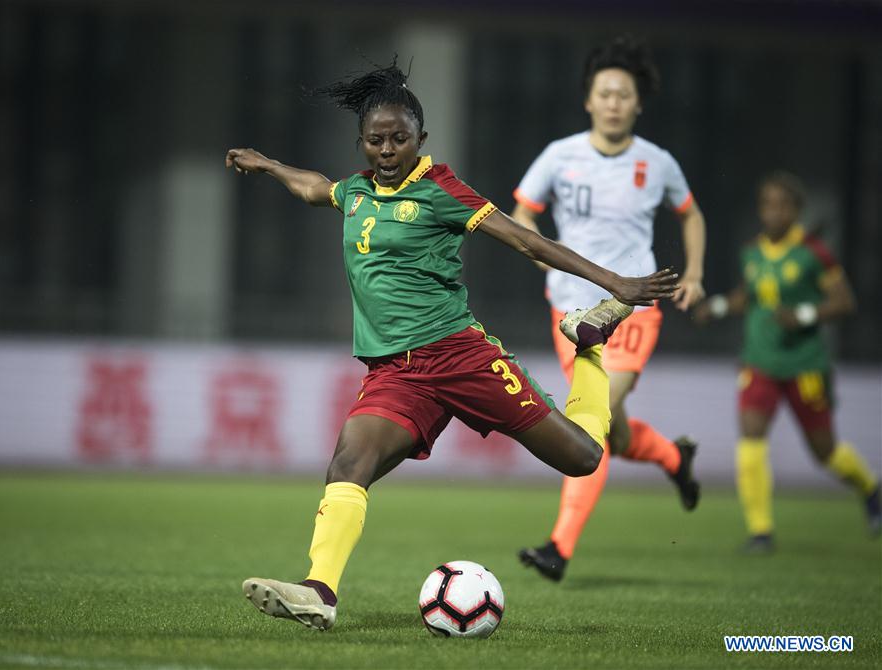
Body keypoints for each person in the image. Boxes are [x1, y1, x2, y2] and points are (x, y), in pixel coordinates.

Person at [225, 62, 679, 630]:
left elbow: (526, 241)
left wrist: (614, 284)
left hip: (460, 357)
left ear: (421, 139)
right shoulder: (356, 192)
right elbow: (314, 187)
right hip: (394, 373)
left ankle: (589, 343)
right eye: (375, 140)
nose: (386, 150)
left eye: (399, 139)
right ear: (361, 142)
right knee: (349, 461)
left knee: (583, 458)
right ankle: (320, 591)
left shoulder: (440, 189)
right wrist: (269, 165)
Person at [513, 35, 706, 581]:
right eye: (605, 93)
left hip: (632, 311)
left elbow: (691, 214)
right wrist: (543, 260)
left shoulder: (657, 162)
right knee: (613, 432)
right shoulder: (560, 156)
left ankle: (559, 547)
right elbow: (521, 214)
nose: (614, 102)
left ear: (638, 104)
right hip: (570, 315)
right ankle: (674, 458)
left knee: (590, 424)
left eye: (624, 94)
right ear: (588, 100)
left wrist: (693, 274)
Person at [694, 170, 880, 553]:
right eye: (767, 205)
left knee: (825, 452)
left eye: (782, 205)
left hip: (804, 363)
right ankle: (760, 531)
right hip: (759, 360)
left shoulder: (814, 253)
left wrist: (805, 315)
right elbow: (749, 295)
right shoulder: (752, 252)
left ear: (796, 210)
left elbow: (844, 302)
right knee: (750, 437)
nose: (773, 212)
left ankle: (870, 488)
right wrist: (717, 306)